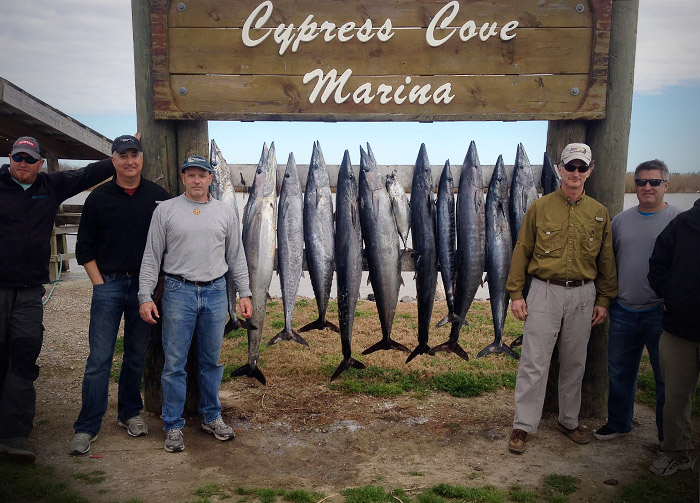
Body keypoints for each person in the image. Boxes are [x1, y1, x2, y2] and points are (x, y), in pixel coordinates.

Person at [0, 136, 115, 462]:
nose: (23, 163)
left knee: (23, 359)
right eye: (18, 157)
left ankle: (15, 434)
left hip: (30, 291)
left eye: (29, 158)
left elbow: (89, 174)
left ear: (39, 162)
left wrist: (120, 153)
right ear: (10, 158)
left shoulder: (51, 185)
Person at [505, 143, 617, 454]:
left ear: (590, 171)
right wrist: (516, 293)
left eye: (582, 168)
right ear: (560, 169)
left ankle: (569, 420)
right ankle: (523, 425)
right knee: (533, 361)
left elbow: (606, 259)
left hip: (584, 294)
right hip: (544, 290)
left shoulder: (599, 213)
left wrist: (604, 299)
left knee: (574, 361)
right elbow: (522, 250)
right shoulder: (539, 208)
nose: (576, 173)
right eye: (571, 167)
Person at [138, 155, 252, 453]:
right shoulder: (165, 211)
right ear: (183, 177)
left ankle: (211, 416)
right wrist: (145, 296)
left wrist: (245, 292)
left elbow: (236, 256)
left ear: (211, 178)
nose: (197, 180)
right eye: (191, 175)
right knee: (174, 363)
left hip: (215, 291)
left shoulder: (226, 212)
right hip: (178, 291)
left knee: (210, 362)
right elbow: (151, 257)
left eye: (202, 175)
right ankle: (173, 425)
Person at [68, 135, 170, 455]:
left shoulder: (158, 197)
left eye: (134, 155)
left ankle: (129, 413)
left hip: (145, 287)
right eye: (122, 155)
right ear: (112, 160)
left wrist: (157, 287)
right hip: (108, 285)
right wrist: (99, 284)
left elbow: (170, 245)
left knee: (136, 354)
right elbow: (84, 248)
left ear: (142, 159)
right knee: (99, 359)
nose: (129, 161)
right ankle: (87, 426)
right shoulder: (98, 198)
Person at [594, 160, 681, 443]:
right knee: (619, 372)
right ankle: (620, 423)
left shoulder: (680, 221)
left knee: (664, 377)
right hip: (623, 309)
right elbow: (608, 265)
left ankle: (666, 436)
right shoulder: (620, 221)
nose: (647, 187)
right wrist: (606, 300)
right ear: (635, 186)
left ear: (666, 185)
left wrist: (675, 301)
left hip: (660, 311)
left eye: (654, 182)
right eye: (642, 182)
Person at [647, 197, 700, 476]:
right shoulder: (682, 224)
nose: (648, 188)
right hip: (680, 330)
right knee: (675, 397)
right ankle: (677, 452)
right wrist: (671, 295)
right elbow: (656, 265)